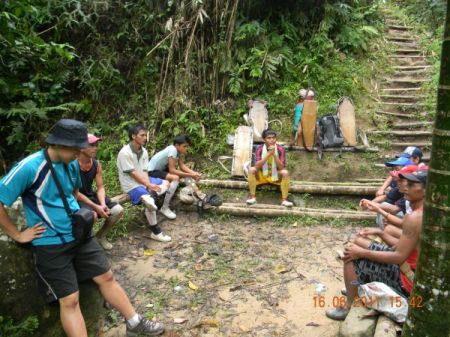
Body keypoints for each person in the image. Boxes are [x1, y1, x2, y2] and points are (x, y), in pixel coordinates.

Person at [0, 119, 165, 336]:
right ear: (59, 145)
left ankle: (134, 323)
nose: (80, 153)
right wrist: (18, 234)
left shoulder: (71, 165)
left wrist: (96, 206)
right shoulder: (30, 167)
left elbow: (74, 192)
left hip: (79, 233)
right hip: (51, 243)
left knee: (106, 277)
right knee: (70, 300)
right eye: (76, 149)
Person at [326, 170, 427, 321]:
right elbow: (403, 246)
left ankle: (350, 305)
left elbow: (398, 256)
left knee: (350, 255)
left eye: (412, 184)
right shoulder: (421, 212)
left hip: (407, 281)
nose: (406, 187)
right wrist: (380, 233)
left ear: (427, 190)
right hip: (411, 270)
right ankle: (355, 286)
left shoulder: (416, 217)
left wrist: (361, 253)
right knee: (361, 245)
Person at [117, 124, 171, 242]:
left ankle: (152, 198)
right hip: (131, 184)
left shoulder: (144, 151)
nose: (145, 138)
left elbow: (145, 170)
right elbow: (132, 174)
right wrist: (148, 186)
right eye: (142, 135)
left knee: (166, 183)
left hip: (143, 180)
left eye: (145, 135)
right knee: (149, 200)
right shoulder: (124, 153)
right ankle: (156, 232)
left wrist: (148, 184)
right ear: (133, 136)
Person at [75, 133, 124, 250]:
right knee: (92, 216)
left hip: (89, 195)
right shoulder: (73, 165)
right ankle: (85, 245)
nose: (95, 147)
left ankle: (100, 236)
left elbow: (100, 187)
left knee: (118, 210)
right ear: (81, 147)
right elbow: (74, 192)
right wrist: (96, 207)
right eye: (91, 145)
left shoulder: (96, 164)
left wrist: (102, 204)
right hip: (76, 197)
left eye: (96, 144)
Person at [148, 134, 204, 216]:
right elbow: (172, 170)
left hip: (162, 169)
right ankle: (165, 207)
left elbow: (182, 166)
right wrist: (191, 175)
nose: (186, 148)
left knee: (185, 175)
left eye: (187, 146)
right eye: (184, 146)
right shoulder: (173, 150)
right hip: (152, 171)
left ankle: (199, 194)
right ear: (177, 145)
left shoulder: (180, 151)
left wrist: (193, 173)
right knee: (175, 178)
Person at [246, 129, 293, 207]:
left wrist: (274, 154)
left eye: (273, 138)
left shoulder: (280, 149)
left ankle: (284, 200)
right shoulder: (259, 148)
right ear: (264, 139)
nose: (272, 140)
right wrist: (268, 154)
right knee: (251, 170)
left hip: (275, 175)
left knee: (285, 172)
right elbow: (256, 166)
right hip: (262, 175)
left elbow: (282, 167)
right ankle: (253, 197)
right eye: (269, 138)